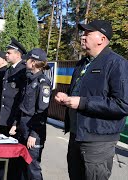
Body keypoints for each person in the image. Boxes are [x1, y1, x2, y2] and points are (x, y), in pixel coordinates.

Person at [55, 20, 128, 180]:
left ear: (101, 39)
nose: (82, 36)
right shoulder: (82, 63)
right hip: (77, 135)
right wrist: (67, 98)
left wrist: (82, 102)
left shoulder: (117, 64)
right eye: (83, 32)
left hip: (98, 141)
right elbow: (81, 93)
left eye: (87, 33)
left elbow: (122, 104)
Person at [10, 48, 51, 180]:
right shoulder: (28, 80)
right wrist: (16, 124)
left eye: (27, 59)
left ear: (33, 62)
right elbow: (22, 106)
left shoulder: (43, 83)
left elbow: (42, 111)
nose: (24, 61)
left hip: (33, 130)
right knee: (21, 165)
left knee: (32, 167)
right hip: (23, 127)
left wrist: (34, 134)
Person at [0, 38, 27, 180]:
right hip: (6, 116)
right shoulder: (11, 69)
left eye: (9, 53)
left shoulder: (22, 70)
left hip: (14, 118)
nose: (6, 55)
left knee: (14, 152)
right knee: (7, 150)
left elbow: (21, 99)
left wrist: (16, 122)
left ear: (18, 54)